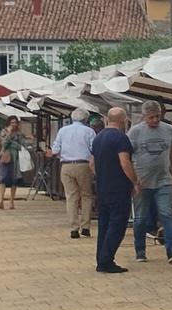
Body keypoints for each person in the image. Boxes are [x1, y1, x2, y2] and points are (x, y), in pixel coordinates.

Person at [128, 100, 172, 265]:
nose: (155, 120)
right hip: (142, 181)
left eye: (157, 116)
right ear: (144, 116)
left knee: (166, 214)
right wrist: (133, 180)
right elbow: (127, 157)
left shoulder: (168, 130)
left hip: (163, 180)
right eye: (151, 117)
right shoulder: (135, 132)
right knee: (140, 218)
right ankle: (140, 250)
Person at [90, 106, 138, 274]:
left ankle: (101, 258)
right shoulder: (121, 138)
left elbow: (92, 163)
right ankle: (106, 260)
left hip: (102, 187)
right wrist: (135, 181)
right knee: (117, 225)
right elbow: (125, 162)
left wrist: (102, 175)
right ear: (123, 120)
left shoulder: (98, 138)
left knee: (104, 224)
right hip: (118, 188)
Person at [52, 109, 96, 237]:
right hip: (84, 164)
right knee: (86, 195)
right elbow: (94, 149)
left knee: (71, 197)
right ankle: (86, 226)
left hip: (66, 165)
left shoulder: (63, 131)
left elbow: (55, 149)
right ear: (86, 119)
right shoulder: (89, 131)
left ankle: (74, 228)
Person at [0, 117, 30, 211]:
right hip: (5, 157)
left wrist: (12, 143)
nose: (13, 124)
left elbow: (22, 146)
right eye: (12, 122)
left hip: (15, 158)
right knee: (2, 179)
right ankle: (1, 200)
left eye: (15, 122)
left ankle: (11, 201)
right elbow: (4, 143)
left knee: (14, 179)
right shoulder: (4, 132)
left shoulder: (19, 134)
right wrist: (9, 135)